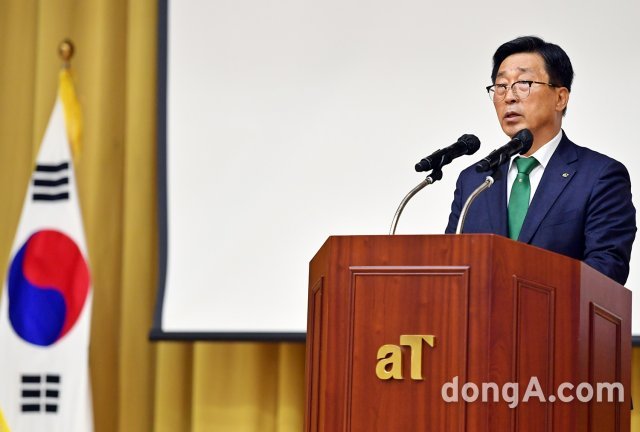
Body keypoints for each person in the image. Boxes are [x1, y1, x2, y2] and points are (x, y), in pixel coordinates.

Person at [445, 36, 636, 285]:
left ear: (560, 98)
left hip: (558, 320)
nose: (509, 97)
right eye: (501, 86)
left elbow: (606, 270)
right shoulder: (474, 180)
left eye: (523, 83)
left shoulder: (599, 176)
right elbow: (450, 268)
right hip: (481, 323)